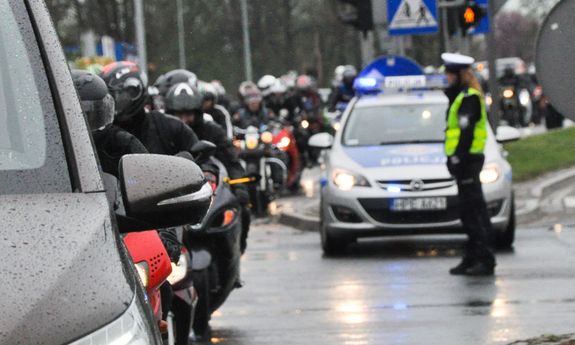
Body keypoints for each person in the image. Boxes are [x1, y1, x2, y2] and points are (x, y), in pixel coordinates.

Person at [165, 82, 251, 253]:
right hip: (170, 196)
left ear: (197, 112)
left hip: (210, 191)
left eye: (188, 114)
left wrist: (240, 186)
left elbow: (231, 160)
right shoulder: (161, 132)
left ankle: (234, 261)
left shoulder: (212, 130)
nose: (184, 120)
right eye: (178, 114)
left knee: (242, 210)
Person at [442, 53, 496, 276]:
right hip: (465, 161)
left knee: (474, 211)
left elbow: (466, 131)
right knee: (468, 211)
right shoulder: (461, 96)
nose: (447, 78)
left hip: (468, 161)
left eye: (450, 74)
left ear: (460, 75)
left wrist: (457, 157)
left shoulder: (469, 97)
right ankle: (472, 256)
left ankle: (484, 258)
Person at [100, 61, 199, 156]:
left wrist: (208, 171)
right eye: (107, 97)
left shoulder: (170, 127)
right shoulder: (100, 132)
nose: (111, 103)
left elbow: (202, 157)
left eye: (117, 96)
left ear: (134, 93)